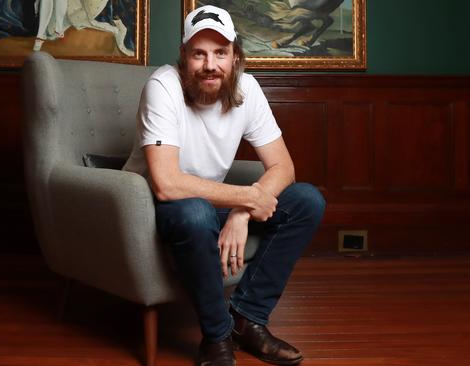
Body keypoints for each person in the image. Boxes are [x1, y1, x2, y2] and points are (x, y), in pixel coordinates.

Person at [123, 5, 325, 365]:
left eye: (220, 53)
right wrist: (248, 197)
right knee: (196, 212)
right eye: (199, 54)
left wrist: (241, 212)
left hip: (207, 202)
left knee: (307, 200)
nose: (210, 64)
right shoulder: (162, 86)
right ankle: (215, 337)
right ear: (184, 57)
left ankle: (248, 320)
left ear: (235, 57)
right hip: (153, 207)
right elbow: (167, 184)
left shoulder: (247, 87)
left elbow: (284, 167)